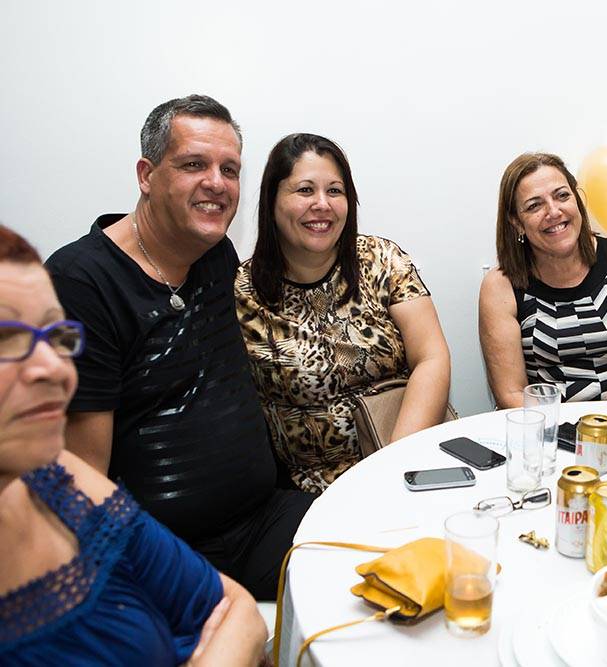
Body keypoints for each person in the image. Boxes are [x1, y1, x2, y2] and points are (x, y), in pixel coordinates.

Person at [45, 95, 314, 600]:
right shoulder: (80, 283)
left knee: (386, 560)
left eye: (229, 169)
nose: (217, 183)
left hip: (262, 519)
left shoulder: (215, 254)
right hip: (163, 551)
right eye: (194, 165)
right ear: (146, 175)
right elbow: (82, 474)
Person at [0, 225, 265, 665]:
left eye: (57, 336)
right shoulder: (85, 275)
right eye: (7, 341)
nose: (57, 369)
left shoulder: (59, 480)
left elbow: (239, 611)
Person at [235, 133, 451, 493]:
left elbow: (432, 357)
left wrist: (394, 463)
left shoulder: (382, 260)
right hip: (319, 489)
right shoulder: (242, 292)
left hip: (410, 458)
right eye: (305, 190)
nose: (322, 204)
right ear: (272, 200)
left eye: (335, 191)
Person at [479, 152, 607, 408]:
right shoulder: (501, 286)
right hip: (548, 426)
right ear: (516, 223)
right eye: (534, 206)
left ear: (577, 200)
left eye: (562, 195)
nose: (553, 211)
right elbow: (511, 394)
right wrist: (567, 432)